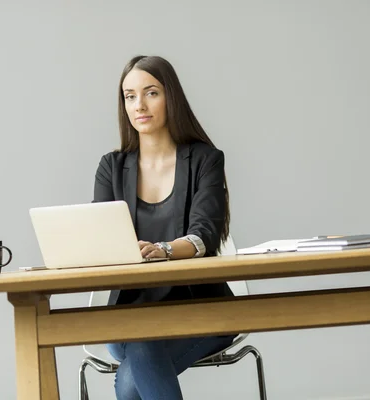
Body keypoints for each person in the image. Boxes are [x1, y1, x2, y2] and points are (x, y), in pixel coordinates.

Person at [91, 55, 236, 400]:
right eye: (129, 96)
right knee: (140, 347)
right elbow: (101, 239)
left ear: (171, 96)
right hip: (130, 312)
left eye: (150, 93)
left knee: (132, 375)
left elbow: (205, 234)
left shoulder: (205, 160)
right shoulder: (111, 167)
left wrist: (165, 250)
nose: (139, 105)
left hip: (200, 309)